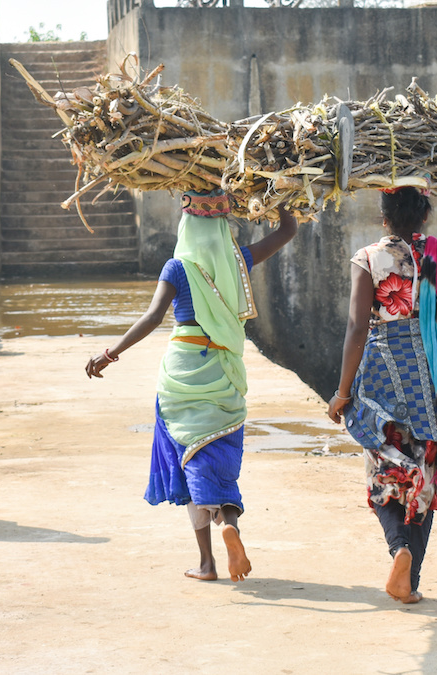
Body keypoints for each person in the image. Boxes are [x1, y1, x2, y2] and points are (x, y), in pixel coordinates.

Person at [86, 188, 298, 582]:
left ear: (187, 224)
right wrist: (277, 193)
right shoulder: (240, 261)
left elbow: (152, 318)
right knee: (218, 452)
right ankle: (229, 520)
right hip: (223, 370)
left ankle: (207, 563)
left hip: (182, 371)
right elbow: (288, 230)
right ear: (222, 225)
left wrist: (110, 354)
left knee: (187, 454)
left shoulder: (177, 267)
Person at [327, 169, 437, 604]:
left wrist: (341, 392)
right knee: (425, 471)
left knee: (384, 467)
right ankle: (409, 580)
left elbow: (357, 327)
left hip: (383, 375)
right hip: (433, 377)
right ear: (424, 214)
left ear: (384, 214)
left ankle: (400, 550)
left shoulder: (368, 258)